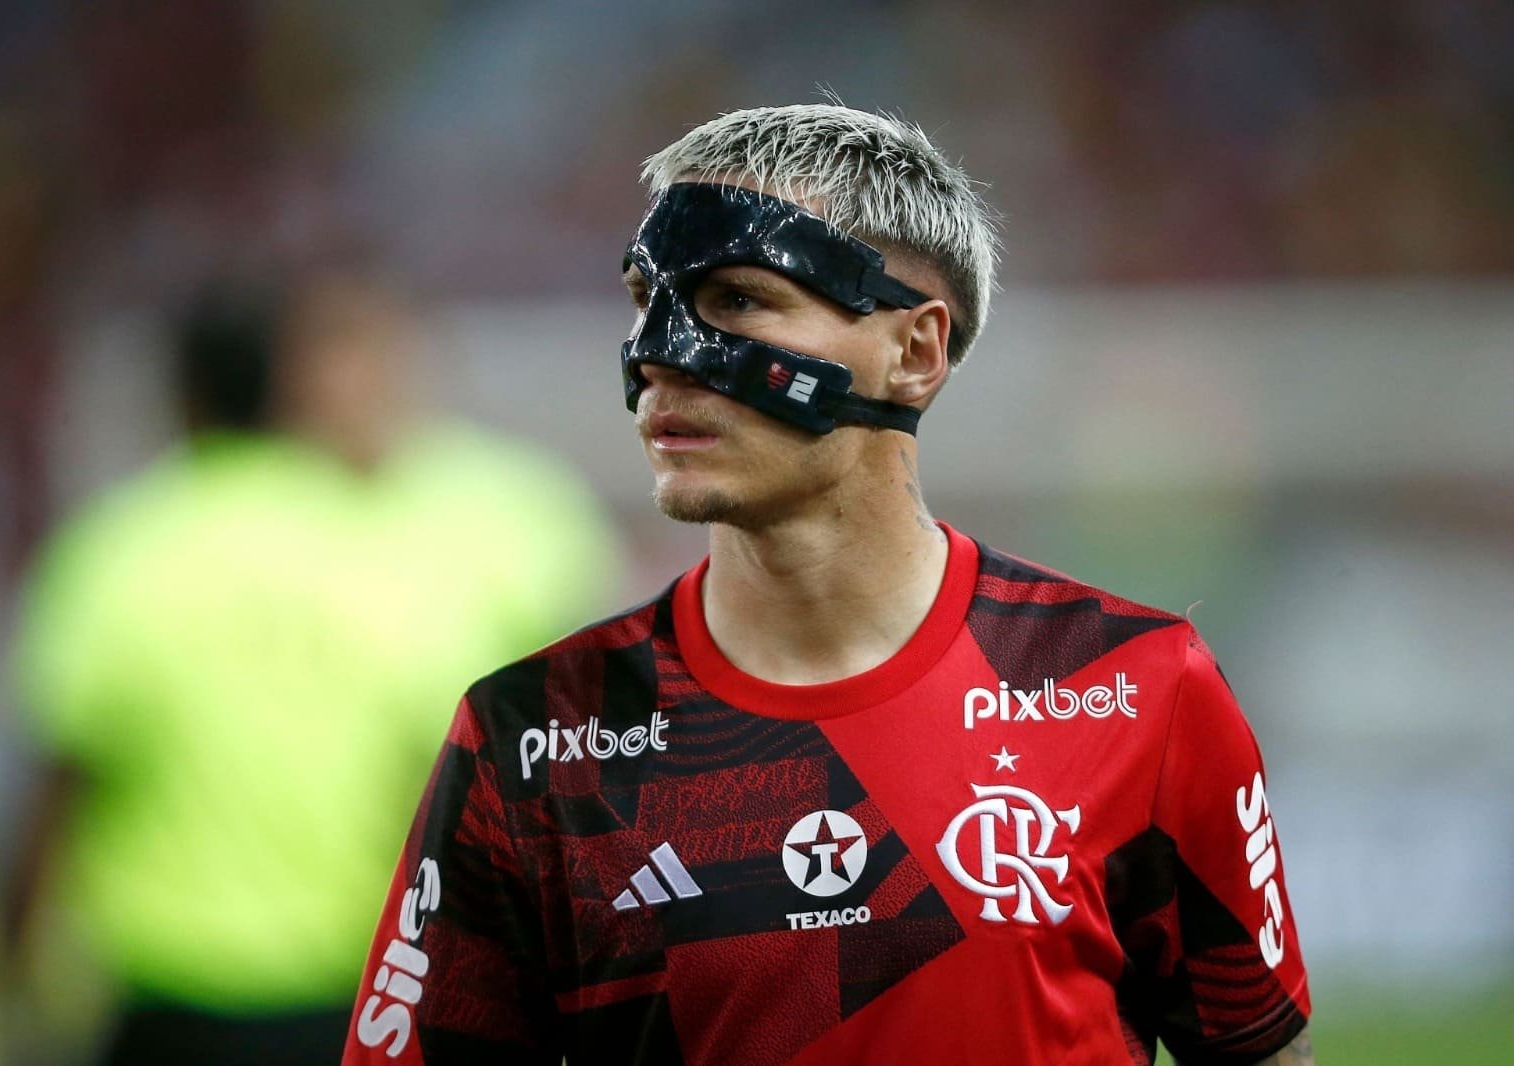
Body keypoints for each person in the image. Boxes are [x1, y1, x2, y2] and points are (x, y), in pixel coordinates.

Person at [343, 105, 1313, 1065]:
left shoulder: (1138, 687)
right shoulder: (533, 735)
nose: (657, 351)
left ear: (914, 353)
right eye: (646, 299)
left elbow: (1258, 1051)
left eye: (737, 299)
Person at [2, 273, 619, 1065]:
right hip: (343, 976)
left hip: (204, 986)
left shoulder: (122, 544)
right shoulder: (376, 545)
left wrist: (9, 969)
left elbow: (57, 778)